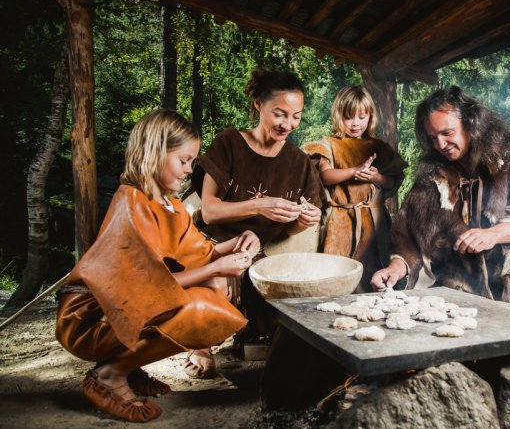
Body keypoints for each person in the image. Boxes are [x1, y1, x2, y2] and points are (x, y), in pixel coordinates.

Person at [55, 109, 260, 422]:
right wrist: (217, 269)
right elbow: (146, 288)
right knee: (201, 307)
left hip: (122, 311)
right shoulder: (131, 201)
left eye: (192, 162)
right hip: (88, 317)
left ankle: (128, 364)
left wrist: (242, 240)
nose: (190, 170)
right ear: (154, 152)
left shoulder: (172, 207)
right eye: (183, 160)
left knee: (214, 291)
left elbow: (203, 255)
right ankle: (110, 374)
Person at [371, 86, 510, 314]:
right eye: (433, 138)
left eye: (447, 133)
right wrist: (395, 267)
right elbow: (409, 237)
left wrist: (494, 234)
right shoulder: (434, 176)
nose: (440, 145)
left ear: (471, 123)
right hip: (461, 285)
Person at [191, 69, 323, 342]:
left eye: (296, 116)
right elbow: (209, 212)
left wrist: (305, 220)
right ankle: (199, 346)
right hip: (210, 244)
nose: (288, 124)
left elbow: (288, 231)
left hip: (255, 252)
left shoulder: (299, 161)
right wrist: (259, 205)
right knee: (218, 287)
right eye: (280, 113)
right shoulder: (230, 142)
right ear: (258, 104)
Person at [303, 85, 406, 291]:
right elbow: (325, 175)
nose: (355, 123)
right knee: (336, 278)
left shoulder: (379, 147)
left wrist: (376, 176)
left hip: (375, 222)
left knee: (375, 276)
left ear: (370, 116)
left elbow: (392, 182)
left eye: (362, 117)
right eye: (349, 117)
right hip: (341, 221)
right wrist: (354, 171)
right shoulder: (329, 144)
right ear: (338, 116)